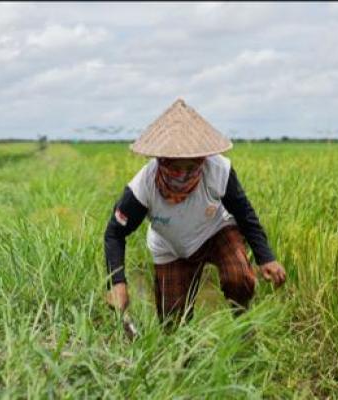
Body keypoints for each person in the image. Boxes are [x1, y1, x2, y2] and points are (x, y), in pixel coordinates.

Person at [103, 99, 286, 326]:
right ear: (162, 161)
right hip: (171, 247)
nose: (183, 174)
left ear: (202, 159)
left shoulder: (218, 170)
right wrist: (117, 283)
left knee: (239, 278)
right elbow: (114, 233)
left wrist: (266, 257)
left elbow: (244, 214)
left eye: (190, 167)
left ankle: (242, 323)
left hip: (215, 232)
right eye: (175, 167)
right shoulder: (143, 187)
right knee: (173, 326)